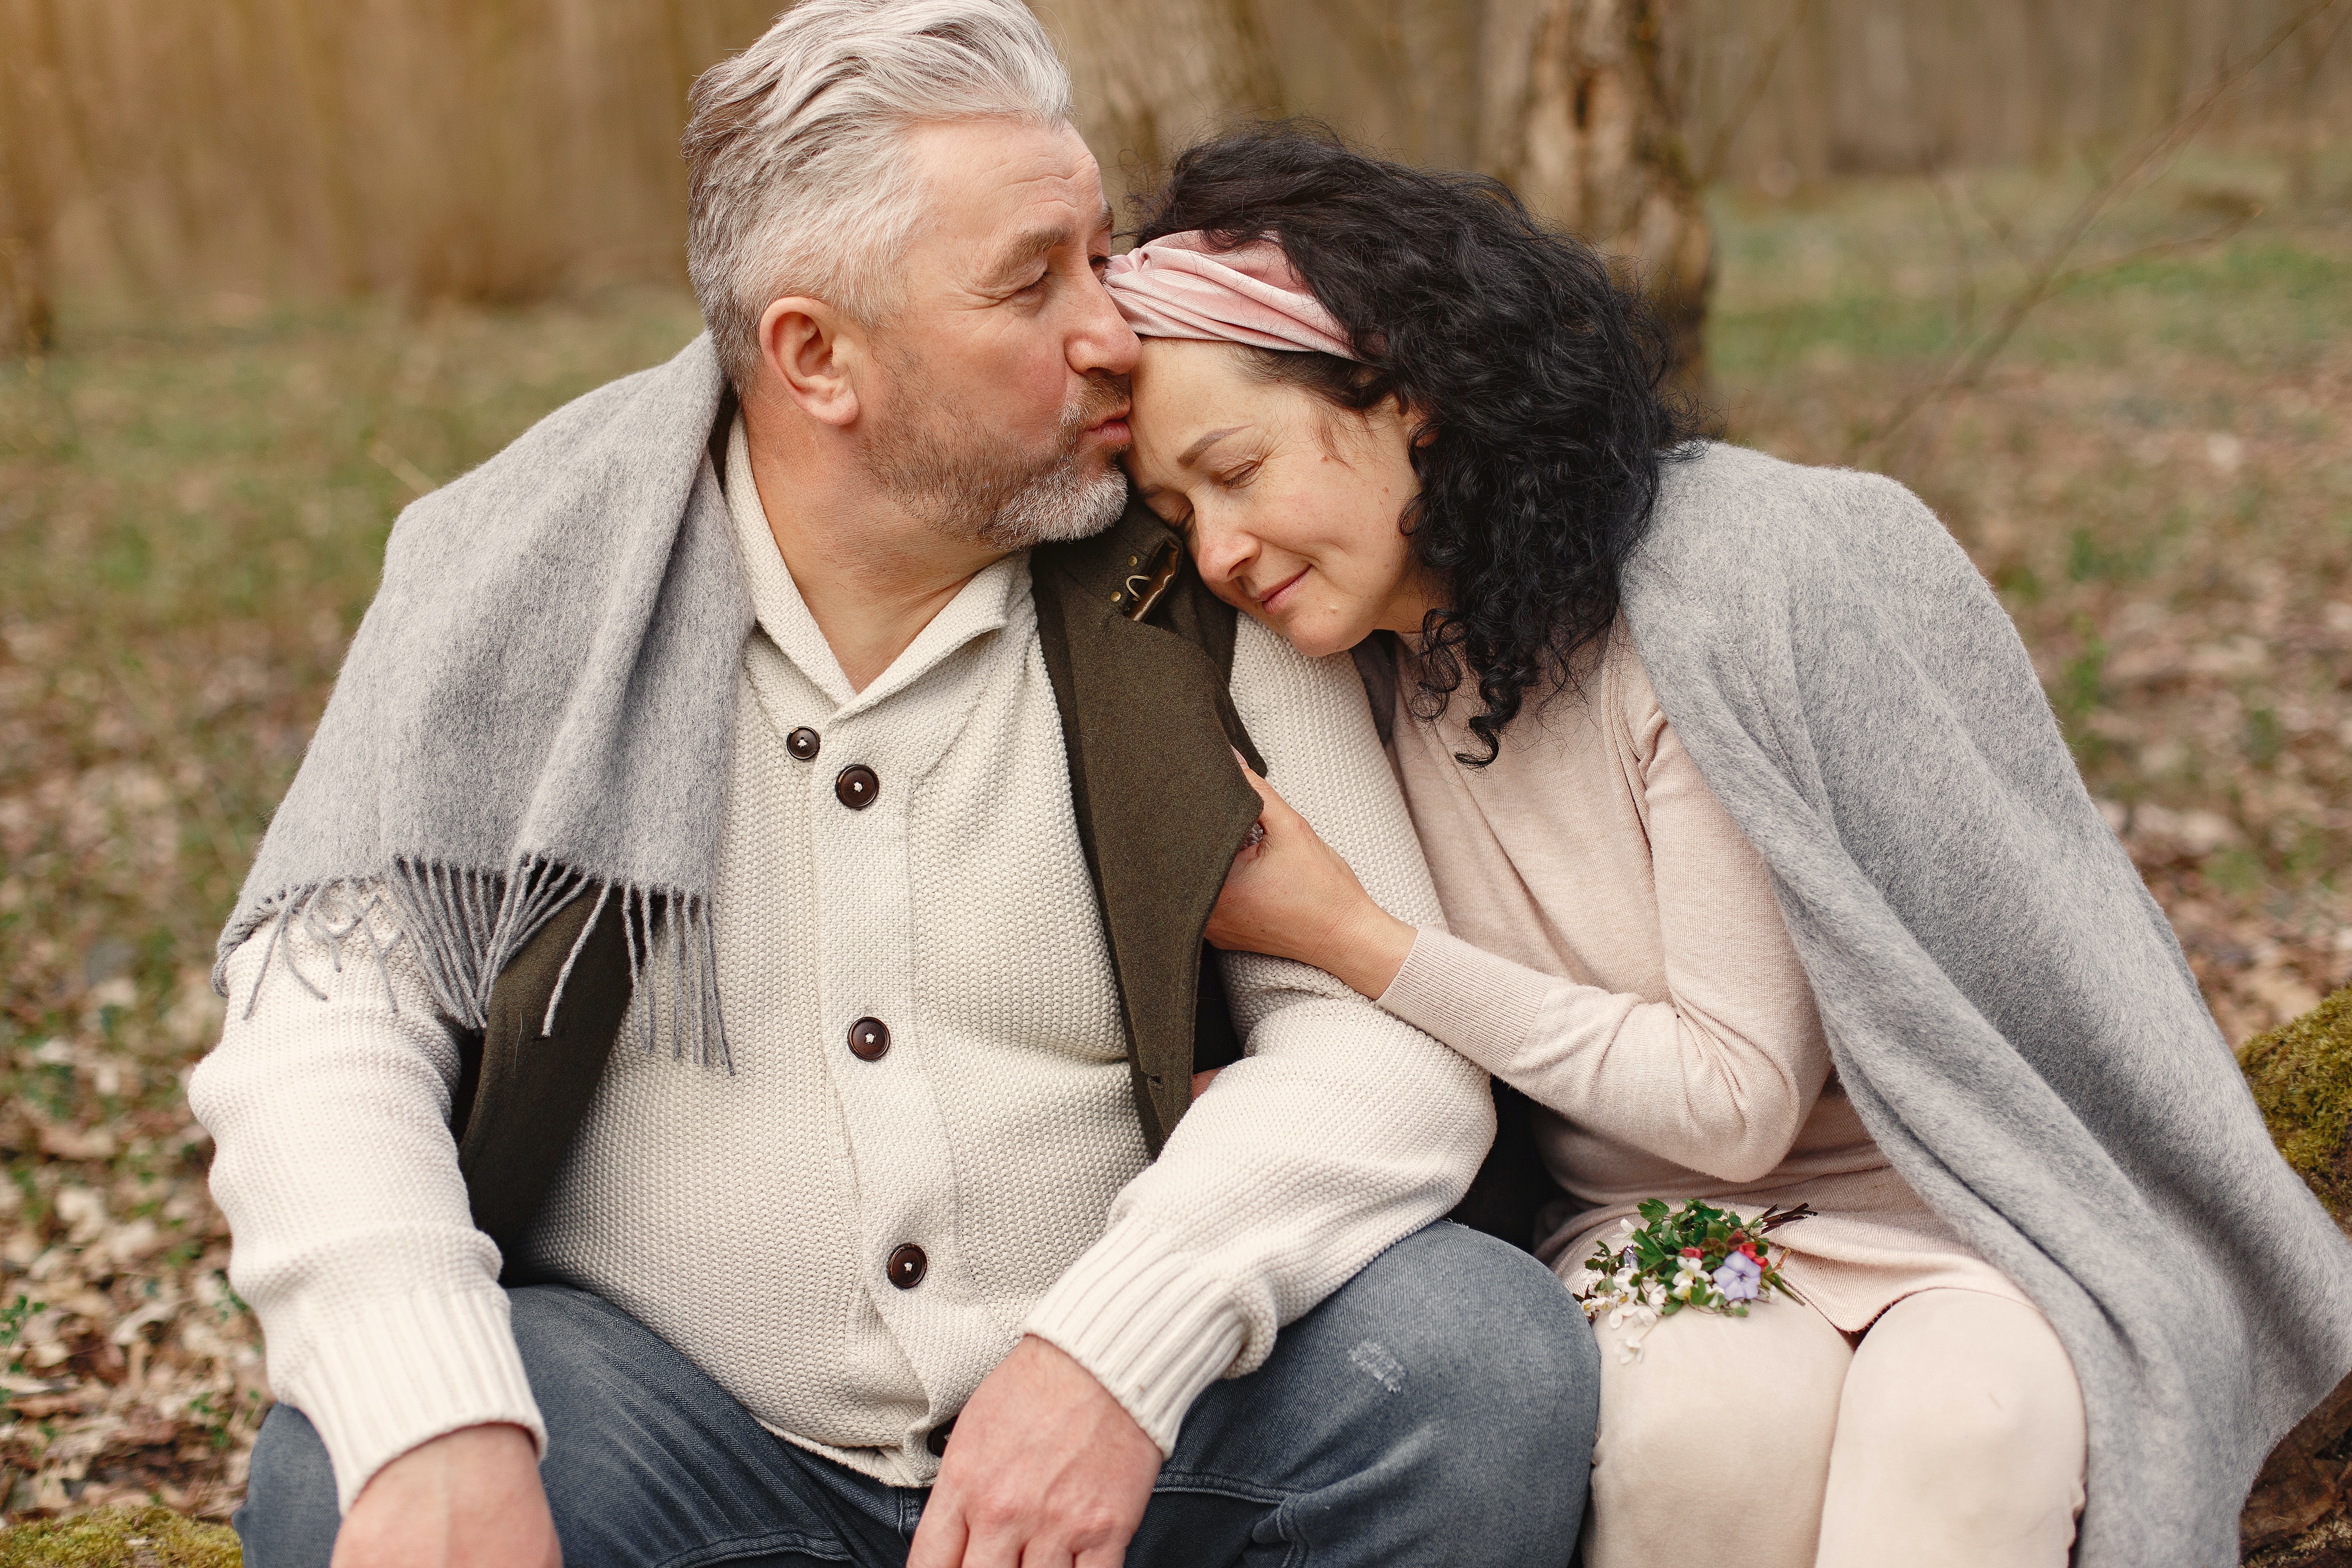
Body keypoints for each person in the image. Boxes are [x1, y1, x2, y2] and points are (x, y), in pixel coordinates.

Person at [191, 14, 1599, 1568]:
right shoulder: (513, 578)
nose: (1116, 334)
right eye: (1031, 279)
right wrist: (434, 1404)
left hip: (1141, 1435)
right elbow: (318, 1030)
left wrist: (1113, 1355)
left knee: (1476, 1362)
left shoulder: (1194, 568)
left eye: (1100, 253)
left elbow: (1385, 1050)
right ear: (816, 357)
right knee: (347, 1476)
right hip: (678, 1441)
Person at [1109, 127, 2352, 1568]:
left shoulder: (1699, 597)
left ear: (1406, 396)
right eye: (1176, 514)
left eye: (1239, 470)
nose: (1217, 551)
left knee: (1968, 1436)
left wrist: (1354, 938)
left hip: (1945, 1199)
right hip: (1654, 1230)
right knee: (1701, 1435)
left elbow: (1736, 1097)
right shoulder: (1337, 672)